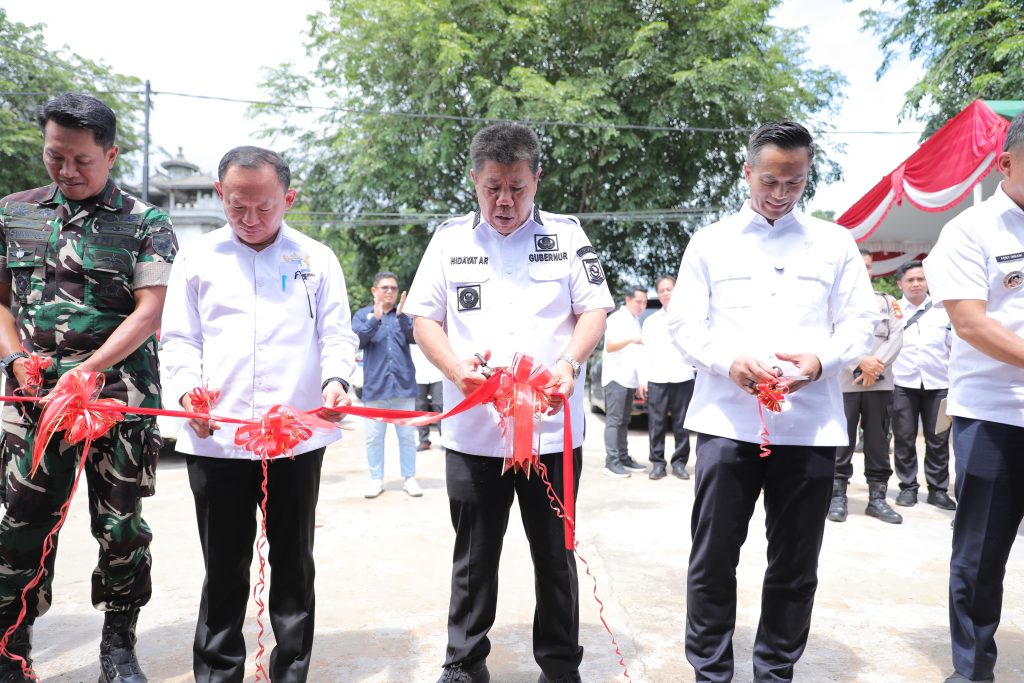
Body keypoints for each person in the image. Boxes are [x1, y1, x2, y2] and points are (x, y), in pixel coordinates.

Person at [668, 121, 878, 682]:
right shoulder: (710, 241)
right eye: (769, 181)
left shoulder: (833, 242)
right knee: (713, 559)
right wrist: (727, 361)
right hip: (726, 424)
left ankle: (775, 671)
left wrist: (821, 360)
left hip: (809, 429)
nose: (780, 194)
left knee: (795, 564)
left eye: (794, 182)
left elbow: (861, 319)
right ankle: (711, 672)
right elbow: (684, 323)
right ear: (748, 172)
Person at [405, 122, 613, 683]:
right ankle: (464, 663)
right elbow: (423, 318)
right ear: (474, 179)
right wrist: (456, 369)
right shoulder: (449, 241)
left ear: (536, 178)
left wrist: (569, 363)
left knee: (555, 555)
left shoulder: (567, 236)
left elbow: (594, 309)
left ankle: (560, 667)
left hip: (553, 433)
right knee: (473, 558)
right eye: (492, 187)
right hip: (475, 434)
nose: (504, 200)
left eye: (517, 188)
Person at [160, 146, 357, 682]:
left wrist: (336, 382)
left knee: (293, 566)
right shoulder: (196, 258)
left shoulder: (317, 259)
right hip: (217, 438)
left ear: (287, 199)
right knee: (223, 567)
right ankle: (217, 673)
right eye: (236, 206)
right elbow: (178, 339)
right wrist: (187, 394)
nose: (249, 219)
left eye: (264, 207)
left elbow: (337, 334)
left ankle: (290, 672)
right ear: (220, 195)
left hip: (295, 439)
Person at [0, 93, 176, 683]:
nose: (67, 170)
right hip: (33, 398)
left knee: (120, 526)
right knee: (21, 522)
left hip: (117, 395)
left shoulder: (145, 223)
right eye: (56, 156)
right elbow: (1, 303)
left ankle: (118, 647)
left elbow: (150, 310)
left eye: (82, 160)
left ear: (111, 154)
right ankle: (11, 646)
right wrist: (15, 357)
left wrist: (90, 368)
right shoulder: (14, 213)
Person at [924, 112, 1024, 683]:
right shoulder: (970, 230)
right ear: (1006, 163)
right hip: (995, 414)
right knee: (981, 556)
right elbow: (971, 323)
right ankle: (972, 671)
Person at [827, 249, 904, 524]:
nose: (865, 270)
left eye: (869, 266)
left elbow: (896, 337)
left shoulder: (887, 302)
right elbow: (829, 338)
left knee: (878, 443)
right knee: (841, 443)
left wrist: (875, 368)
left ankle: (877, 499)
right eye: (860, 266)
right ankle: (837, 497)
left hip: (879, 386)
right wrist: (859, 364)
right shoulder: (832, 303)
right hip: (843, 385)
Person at [890, 259, 956, 510]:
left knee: (938, 439)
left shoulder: (944, 309)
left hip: (939, 385)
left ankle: (938, 490)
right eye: (910, 280)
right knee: (904, 438)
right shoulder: (893, 310)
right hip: (902, 385)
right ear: (900, 284)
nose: (916, 284)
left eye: (921, 279)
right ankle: (908, 488)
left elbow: (954, 346)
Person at [351, 271, 422, 498]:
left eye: (393, 288)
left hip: (403, 388)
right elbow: (356, 341)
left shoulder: (405, 316)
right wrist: (375, 319)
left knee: (407, 437)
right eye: (385, 287)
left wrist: (402, 317)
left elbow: (417, 338)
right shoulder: (363, 315)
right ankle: (376, 479)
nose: (390, 291)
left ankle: (409, 478)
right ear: (375, 290)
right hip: (376, 389)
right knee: (373, 438)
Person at [640, 275, 695, 480]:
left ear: (676, 290)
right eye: (661, 290)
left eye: (669, 289)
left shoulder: (688, 317)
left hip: (683, 377)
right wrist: (642, 379)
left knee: (681, 424)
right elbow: (644, 352)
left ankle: (679, 463)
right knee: (656, 424)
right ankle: (657, 464)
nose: (665, 293)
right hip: (657, 378)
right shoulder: (651, 321)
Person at [600, 285, 648, 478]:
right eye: (639, 302)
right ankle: (611, 462)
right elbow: (610, 346)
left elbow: (637, 355)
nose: (642, 306)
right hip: (616, 378)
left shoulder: (635, 321)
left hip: (629, 380)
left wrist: (640, 381)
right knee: (614, 421)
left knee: (625, 421)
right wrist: (630, 339)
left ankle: (623, 457)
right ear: (628, 299)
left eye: (644, 302)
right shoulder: (616, 318)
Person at [411, 342, 443, 450]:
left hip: (437, 373)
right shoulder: (409, 333)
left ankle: (445, 439)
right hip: (417, 374)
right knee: (420, 408)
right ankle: (424, 440)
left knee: (440, 406)